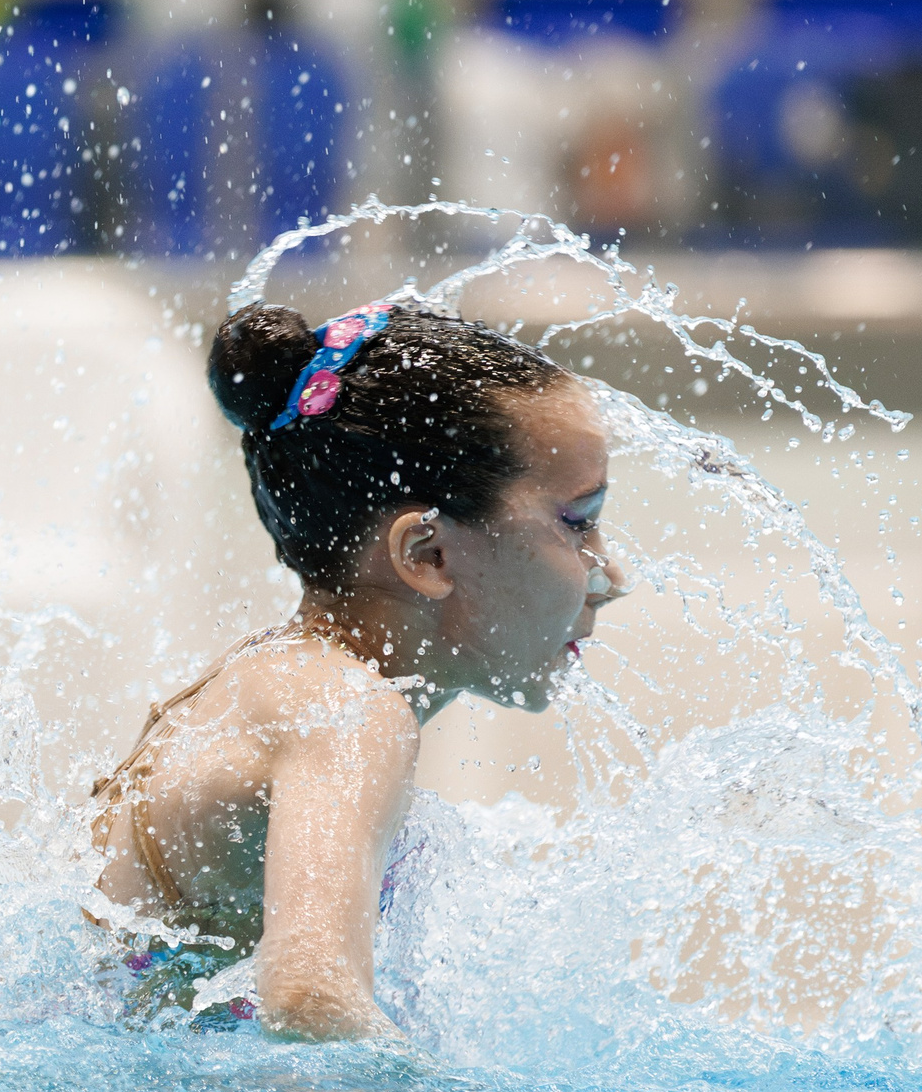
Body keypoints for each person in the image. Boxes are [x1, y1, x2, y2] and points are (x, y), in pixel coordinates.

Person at [88, 298, 629, 1040]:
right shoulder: (347, 711)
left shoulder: (278, 681)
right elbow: (311, 997)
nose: (611, 574)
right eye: (579, 521)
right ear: (426, 555)